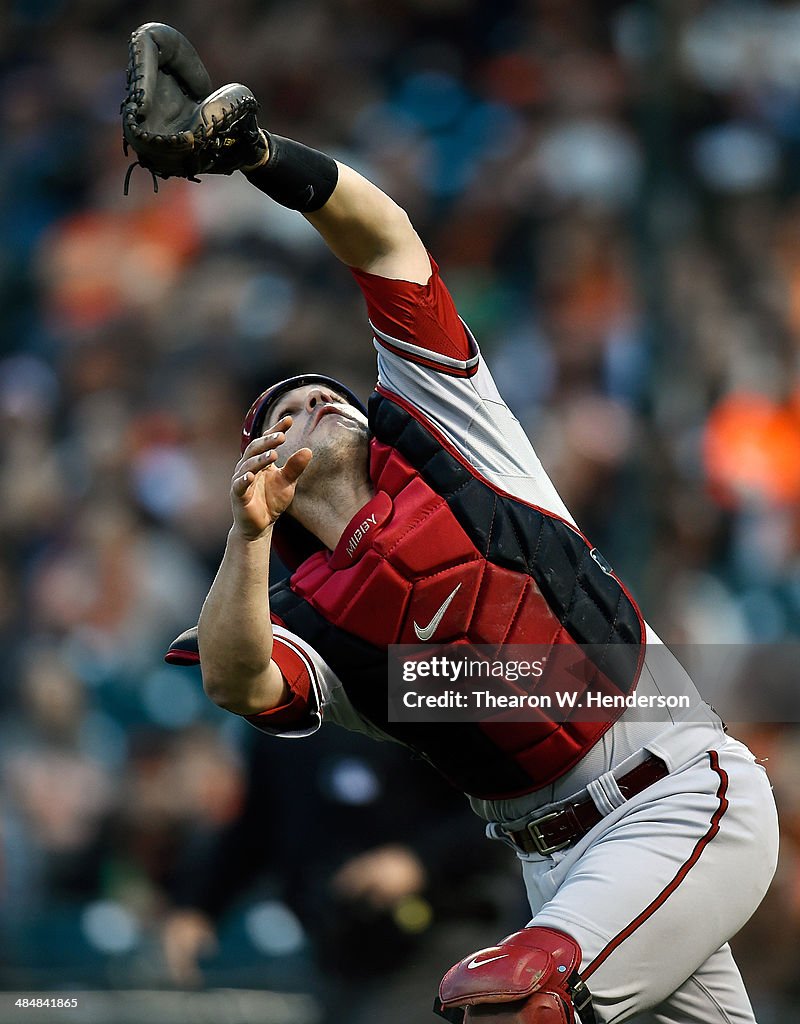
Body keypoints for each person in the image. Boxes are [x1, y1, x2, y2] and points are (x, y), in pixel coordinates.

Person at [130, 23, 779, 1024]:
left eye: (326, 392)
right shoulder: (307, 607)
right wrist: (247, 535)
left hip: (671, 789)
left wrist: (255, 155)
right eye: (286, 411)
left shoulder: (447, 432)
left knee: (506, 999)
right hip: (550, 863)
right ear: (262, 466)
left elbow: (386, 240)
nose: (320, 402)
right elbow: (236, 679)